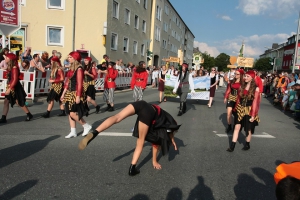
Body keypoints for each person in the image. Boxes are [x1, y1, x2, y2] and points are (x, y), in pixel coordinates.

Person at [78, 100, 180, 175]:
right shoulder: (167, 124)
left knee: (117, 117)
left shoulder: (167, 118)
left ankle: (95, 132)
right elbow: (159, 141)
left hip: (142, 104)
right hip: (148, 113)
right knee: (140, 142)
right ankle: (132, 168)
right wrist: (155, 160)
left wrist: (173, 139)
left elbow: (171, 130)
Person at [60, 51, 92, 138]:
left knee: (73, 113)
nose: (68, 59)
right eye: (68, 57)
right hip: (69, 93)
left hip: (75, 93)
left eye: (70, 57)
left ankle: (86, 125)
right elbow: (67, 82)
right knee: (69, 112)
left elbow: (79, 83)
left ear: (75, 58)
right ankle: (73, 131)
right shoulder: (71, 69)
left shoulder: (79, 69)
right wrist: (63, 94)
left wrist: (78, 96)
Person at [227, 70, 260, 152]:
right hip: (240, 108)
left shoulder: (256, 88)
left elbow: (255, 103)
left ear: (252, 78)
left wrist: (253, 115)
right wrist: (235, 108)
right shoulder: (241, 86)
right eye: (245, 76)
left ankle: (247, 143)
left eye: (247, 76)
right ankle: (232, 146)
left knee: (248, 129)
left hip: (249, 110)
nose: (245, 77)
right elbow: (238, 99)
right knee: (237, 127)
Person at [0, 53, 33, 123]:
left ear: (10, 59)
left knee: (19, 102)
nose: (5, 59)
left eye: (7, 58)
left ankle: (28, 114)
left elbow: (15, 80)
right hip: (10, 86)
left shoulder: (14, 68)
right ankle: (3, 117)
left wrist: (9, 89)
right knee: (6, 101)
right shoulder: (11, 67)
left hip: (14, 87)